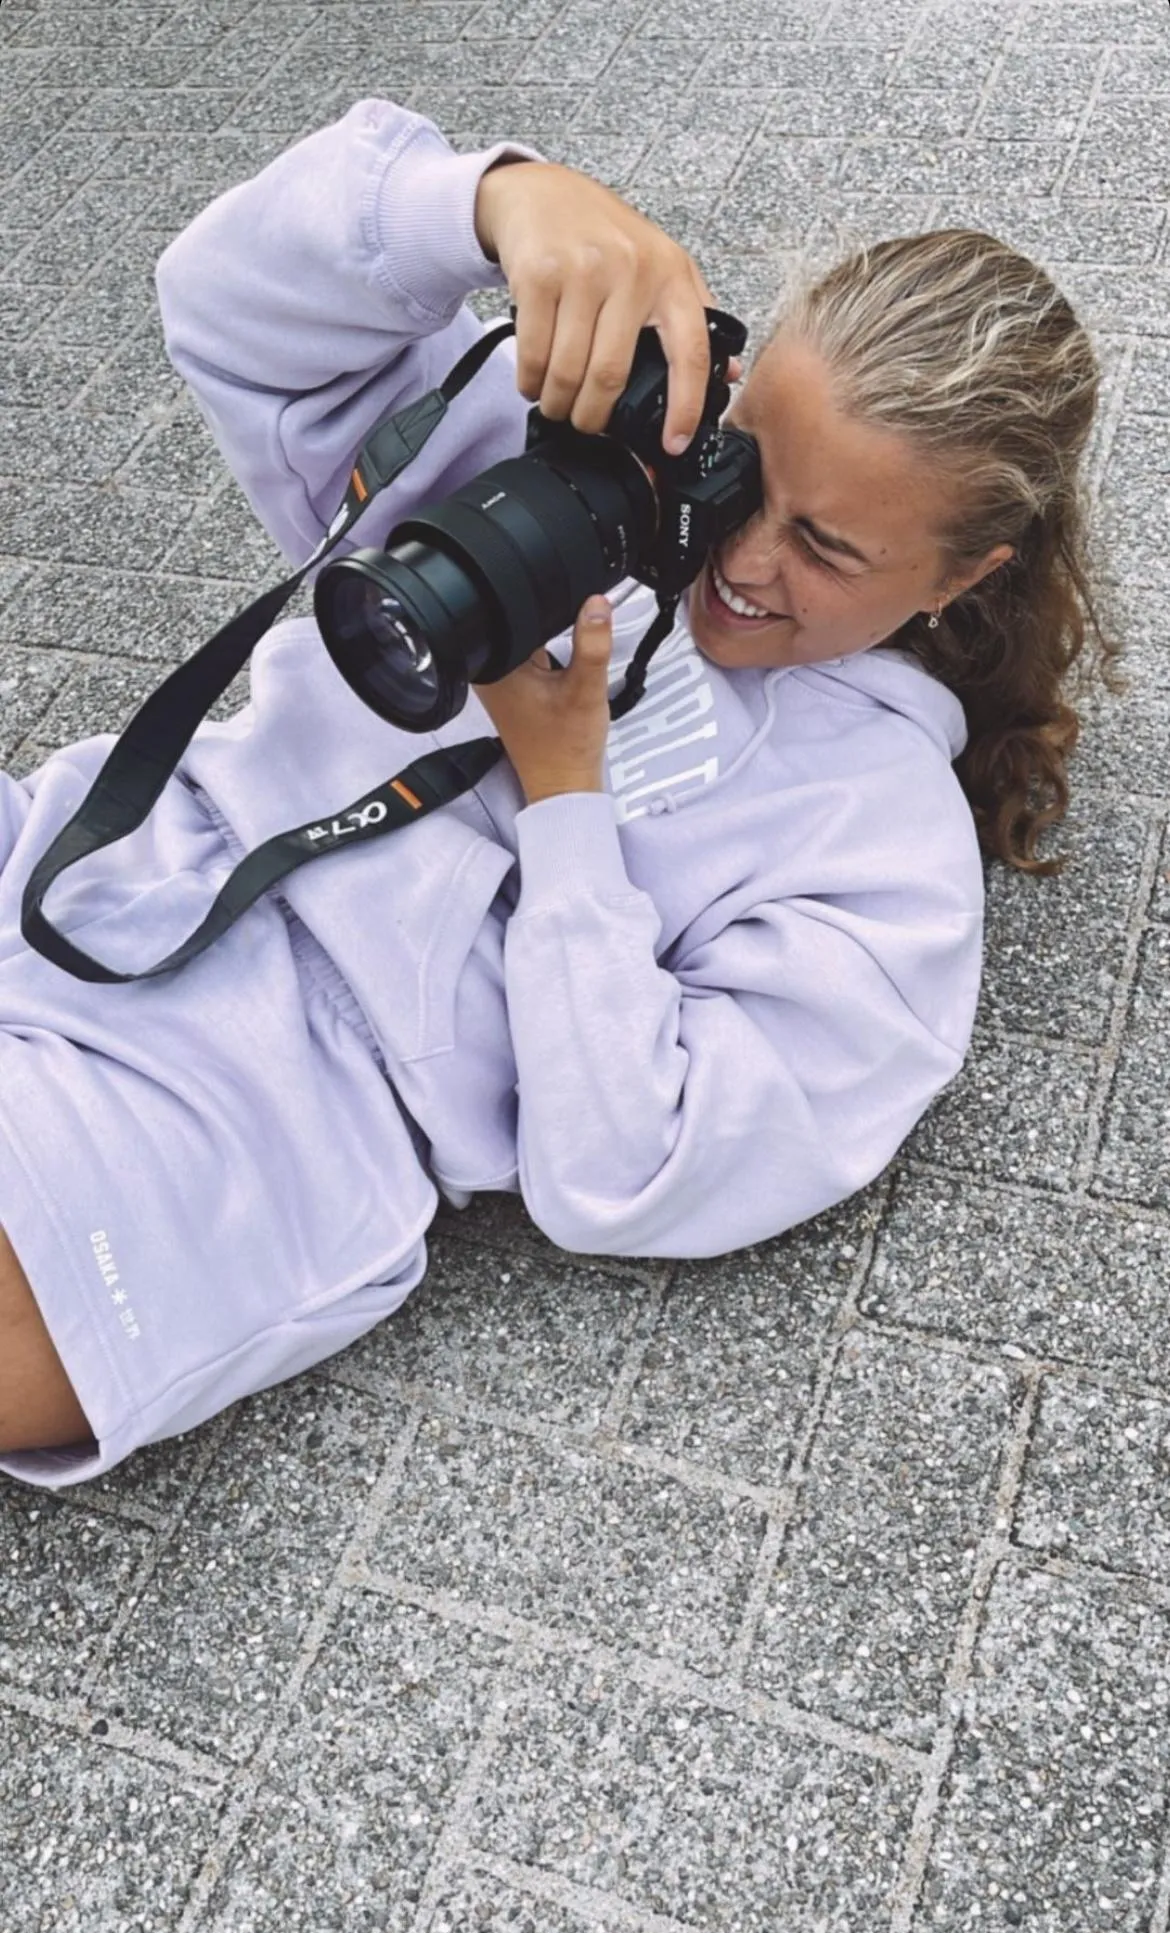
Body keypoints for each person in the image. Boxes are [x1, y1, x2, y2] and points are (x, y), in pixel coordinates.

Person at [0, 98, 1119, 1487]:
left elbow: (630, 1170)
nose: (742, 561)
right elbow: (225, 306)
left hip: (266, 1115)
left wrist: (567, 805)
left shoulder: (881, 852)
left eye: (828, 548)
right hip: (91, 848)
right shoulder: (566, 469)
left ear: (965, 574)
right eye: (743, 469)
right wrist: (486, 205)